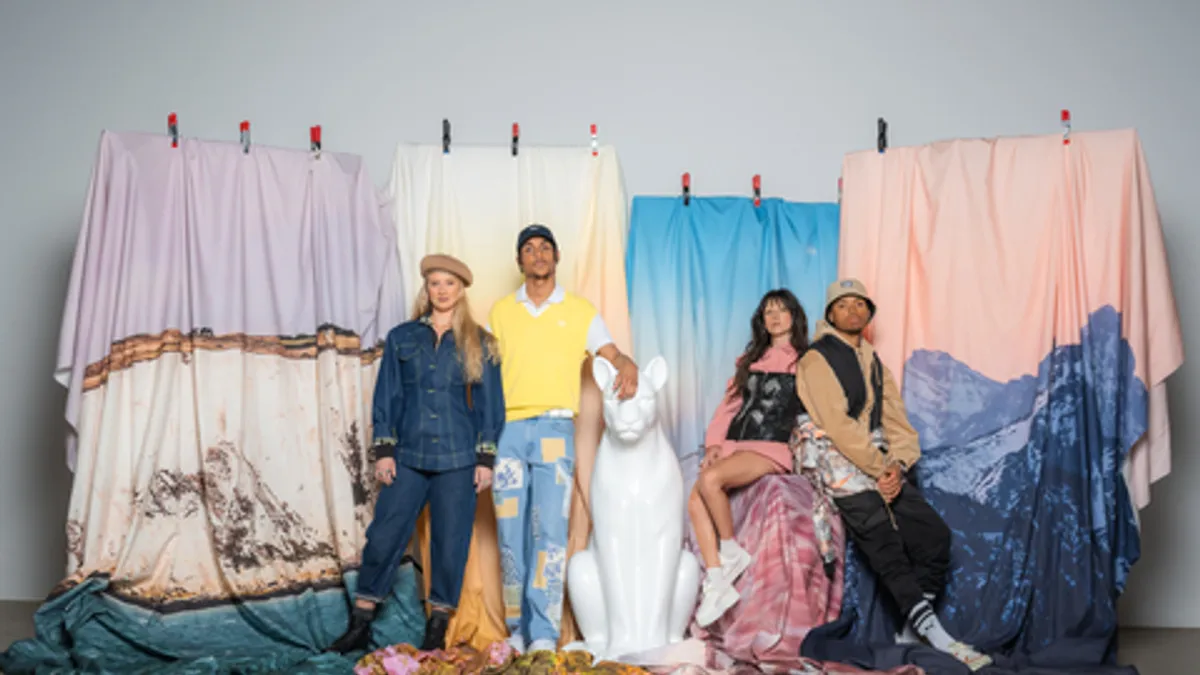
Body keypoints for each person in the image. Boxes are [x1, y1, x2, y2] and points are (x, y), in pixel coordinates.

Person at [795, 278, 992, 672]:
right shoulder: (816, 359)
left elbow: (898, 424)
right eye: (843, 305)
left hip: (880, 466)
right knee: (885, 546)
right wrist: (881, 468)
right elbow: (837, 424)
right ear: (830, 313)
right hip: (840, 467)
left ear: (868, 314)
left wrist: (897, 466)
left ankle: (910, 630)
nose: (852, 311)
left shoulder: (874, 363)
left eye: (859, 305)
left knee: (934, 538)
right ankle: (940, 638)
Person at [329, 254, 506, 655]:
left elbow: (491, 407)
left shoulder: (482, 342)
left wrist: (485, 460)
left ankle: (437, 628)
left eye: (449, 284)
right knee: (384, 535)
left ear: (461, 290)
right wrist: (385, 451)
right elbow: (387, 395)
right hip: (408, 454)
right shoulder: (401, 338)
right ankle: (360, 621)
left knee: (450, 542)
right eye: (434, 283)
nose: (441, 291)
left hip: (459, 460)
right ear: (426, 289)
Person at [487, 224, 640, 654]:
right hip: (509, 432)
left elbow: (611, 354)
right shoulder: (500, 312)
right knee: (509, 533)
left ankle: (543, 634)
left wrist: (626, 361)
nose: (538, 255)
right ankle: (516, 629)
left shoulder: (580, 311)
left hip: (555, 429)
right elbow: (482, 374)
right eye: (529, 249)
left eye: (545, 248)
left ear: (556, 258)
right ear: (520, 261)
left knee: (550, 534)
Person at [688, 289, 810, 627]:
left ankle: (731, 551)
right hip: (736, 444)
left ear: (793, 316)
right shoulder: (748, 361)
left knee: (711, 480)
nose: (774, 317)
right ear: (762, 320)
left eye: (781, 311)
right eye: (768, 311)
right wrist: (715, 444)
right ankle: (717, 580)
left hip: (772, 447)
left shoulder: (807, 360)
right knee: (696, 501)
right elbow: (729, 407)